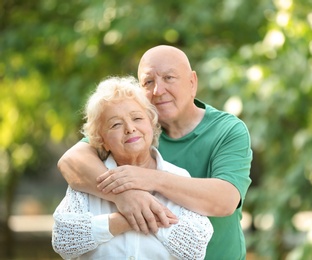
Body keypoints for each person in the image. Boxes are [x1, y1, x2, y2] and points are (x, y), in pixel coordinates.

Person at [58, 45, 252, 259]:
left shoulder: (226, 130)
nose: (158, 90)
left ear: (192, 83)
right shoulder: (133, 132)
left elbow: (225, 200)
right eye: (148, 82)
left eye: (169, 78)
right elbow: (71, 161)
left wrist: (150, 179)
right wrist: (125, 197)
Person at [52, 76, 213, 259]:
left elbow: (195, 247)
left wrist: (138, 213)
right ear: (101, 140)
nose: (130, 128)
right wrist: (123, 219)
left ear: (151, 124)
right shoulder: (88, 180)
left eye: (137, 118)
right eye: (116, 124)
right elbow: (64, 241)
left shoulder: (177, 176)